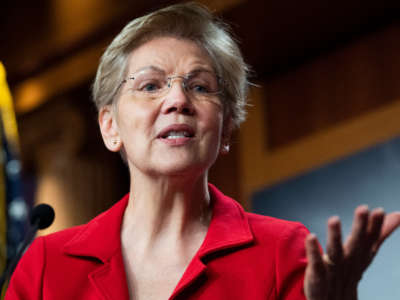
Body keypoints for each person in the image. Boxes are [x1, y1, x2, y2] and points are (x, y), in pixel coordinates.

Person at [5, 2, 400, 300]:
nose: (177, 99)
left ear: (226, 127)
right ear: (110, 127)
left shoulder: (285, 253)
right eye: (150, 86)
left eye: (200, 86)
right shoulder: (44, 268)